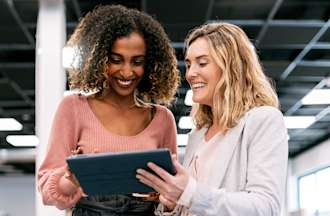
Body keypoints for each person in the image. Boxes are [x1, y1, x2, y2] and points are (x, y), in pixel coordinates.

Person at [37, 4, 180, 216]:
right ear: (99, 59)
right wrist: (70, 180)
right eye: (116, 60)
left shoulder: (162, 118)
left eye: (137, 61)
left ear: (150, 64)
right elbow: (47, 190)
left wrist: (166, 199)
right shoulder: (73, 108)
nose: (127, 71)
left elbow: (172, 194)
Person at [136, 22, 288, 216]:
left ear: (231, 66)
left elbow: (266, 207)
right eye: (189, 64)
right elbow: (193, 205)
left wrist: (189, 192)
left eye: (202, 63)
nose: (190, 74)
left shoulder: (263, 120)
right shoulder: (198, 134)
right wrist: (172, 205)